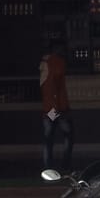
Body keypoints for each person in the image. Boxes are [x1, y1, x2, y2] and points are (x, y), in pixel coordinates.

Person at [39, 40, 73, 172]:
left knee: (48, 138)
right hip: (57, 108)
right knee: (68, 135)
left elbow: (47, 88)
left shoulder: (44, 63)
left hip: (49, 108)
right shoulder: (56, 63)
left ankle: (47, 166)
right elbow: (55, 89)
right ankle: (65, 166)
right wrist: (58, 110)